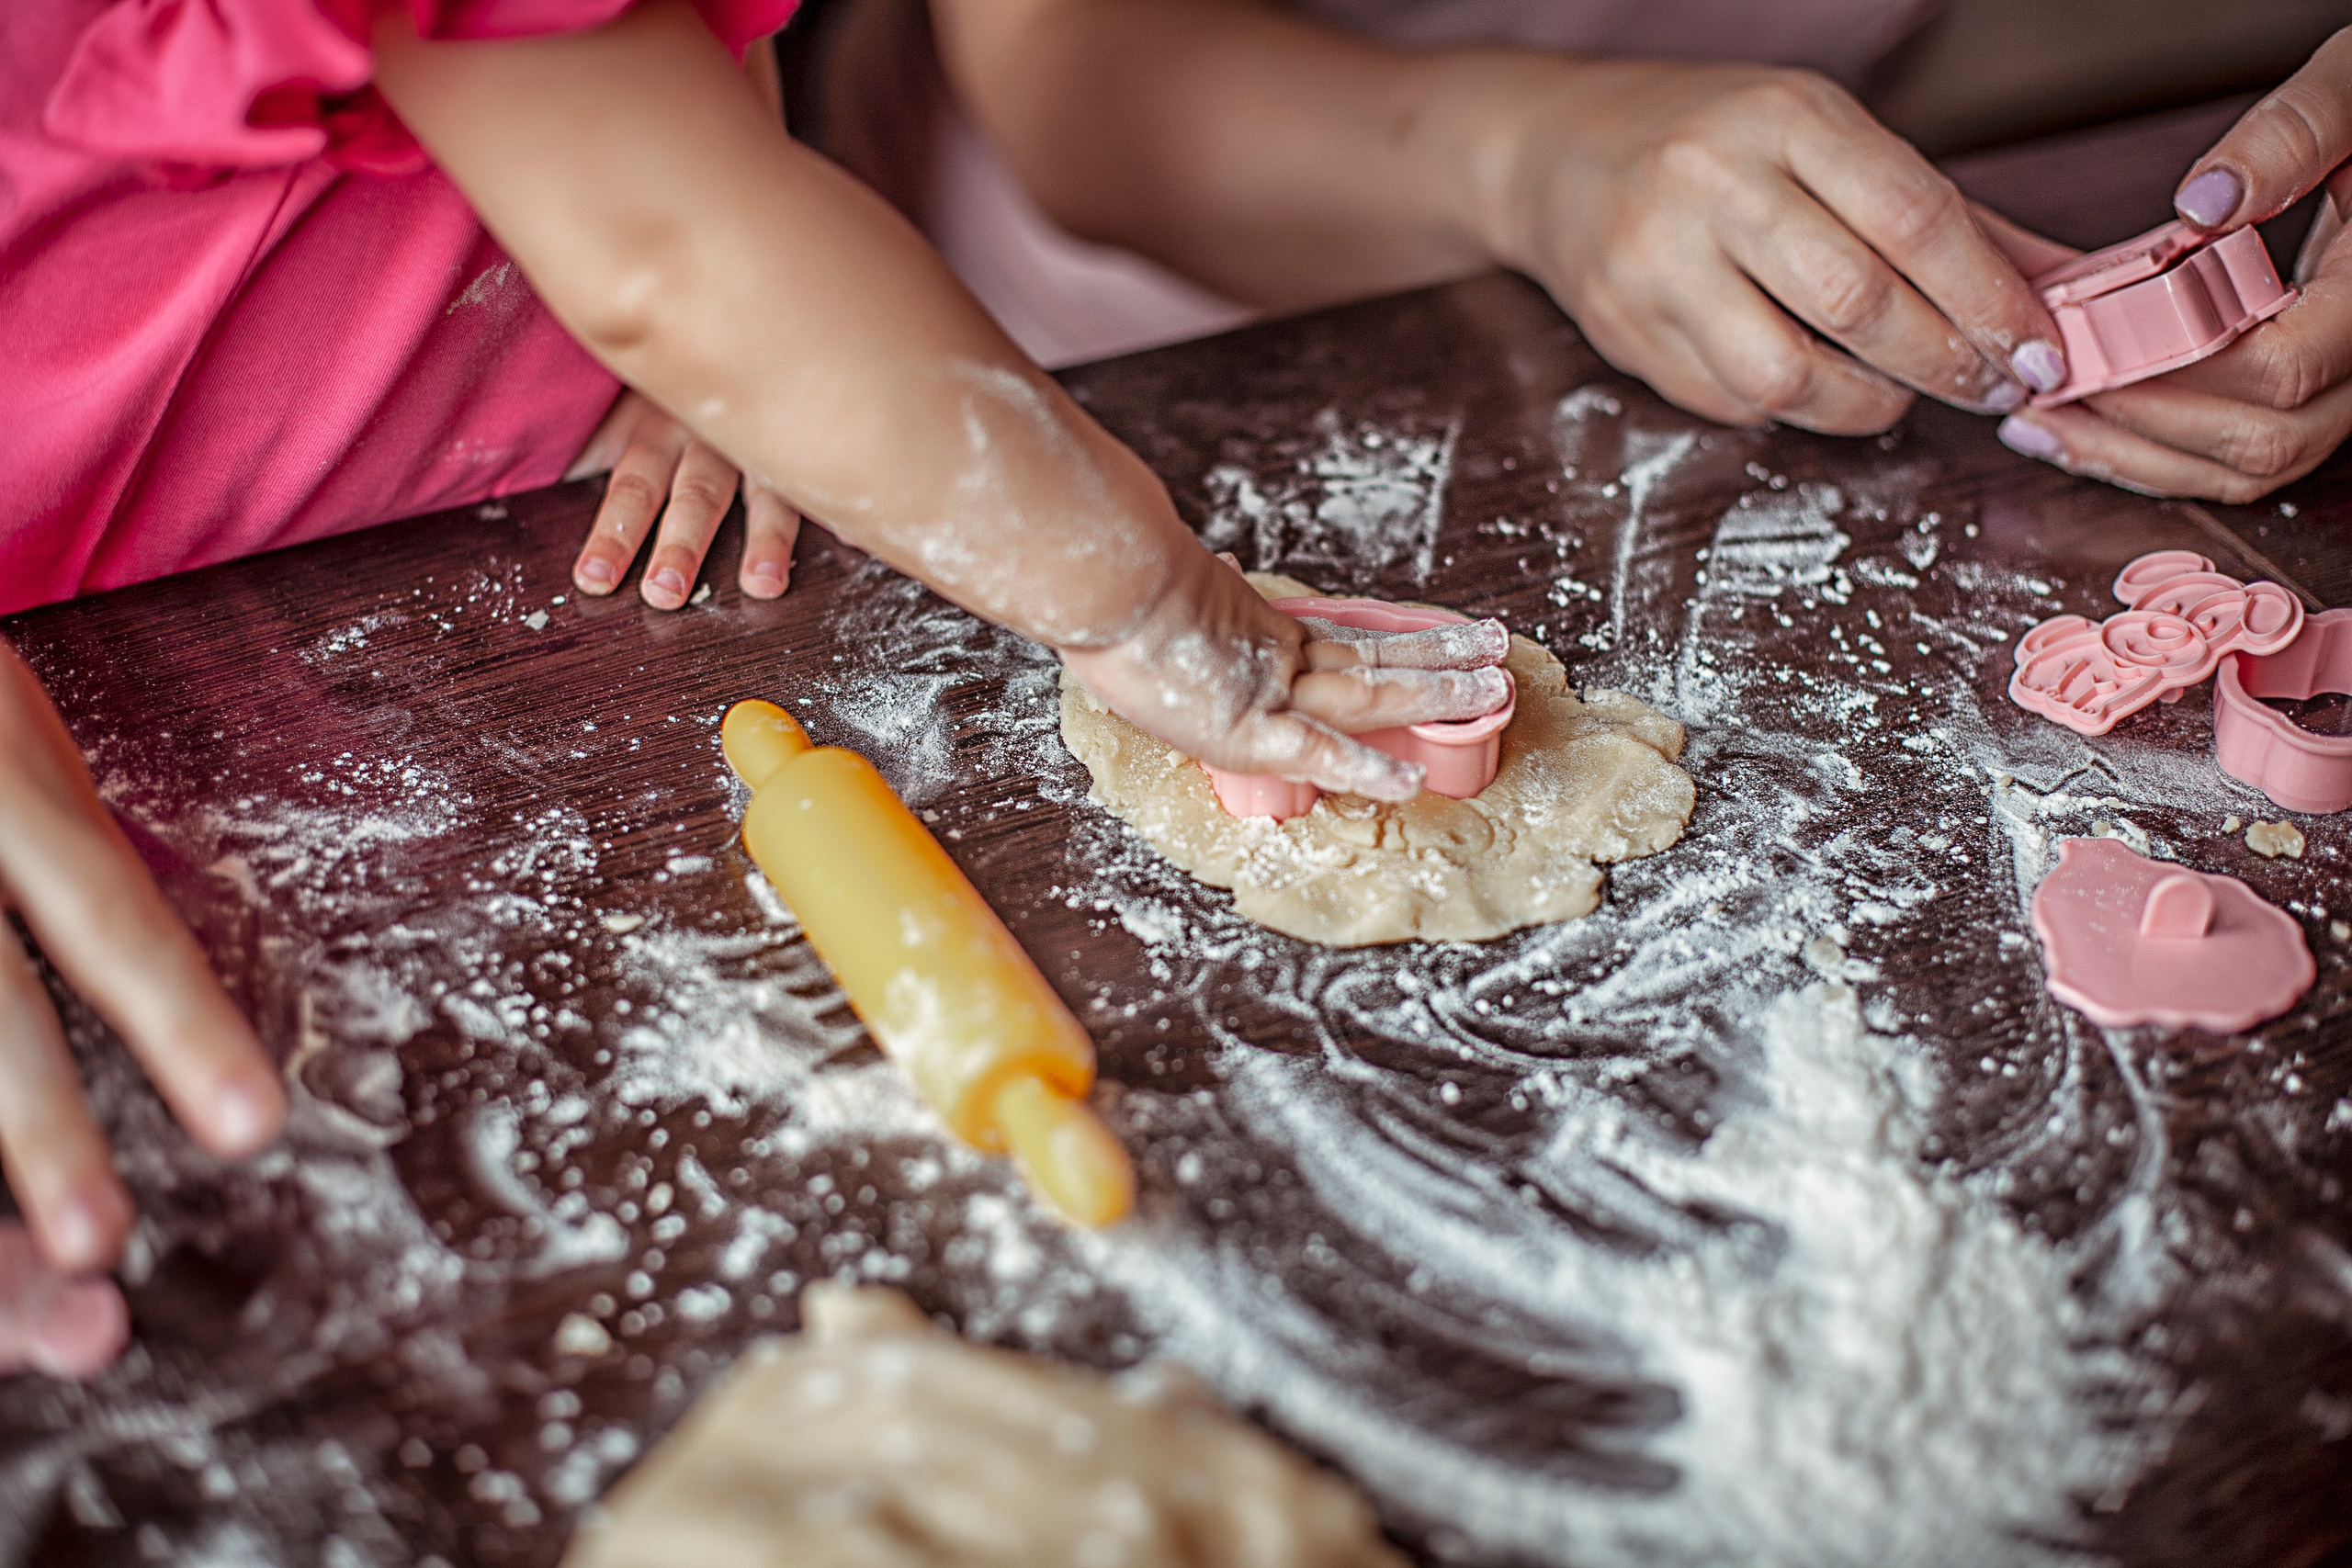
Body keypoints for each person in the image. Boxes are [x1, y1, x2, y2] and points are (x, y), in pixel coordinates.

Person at [0, 0, 1510, 1353]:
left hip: (552, 561)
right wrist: (1159, 608)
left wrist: (743, 351)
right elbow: (661, 239)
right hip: (85, 687)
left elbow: (659, 134)